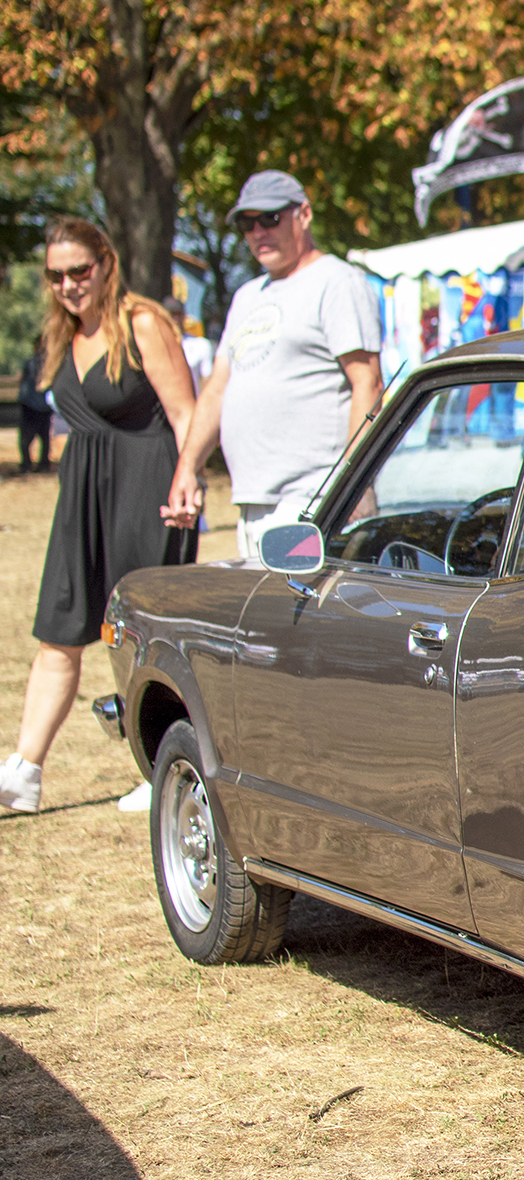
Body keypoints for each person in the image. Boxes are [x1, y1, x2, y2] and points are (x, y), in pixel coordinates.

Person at [0, 219, 197, 814]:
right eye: (55, 275)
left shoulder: (142, 323)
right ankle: (25, 770)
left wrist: (188, 479)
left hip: (146, 488)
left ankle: (158, 766)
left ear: (106, 263)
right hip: (81, 495)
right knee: (57, 629)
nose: (68, 285)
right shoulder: (62, 333)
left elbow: (185, 413)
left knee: (141, 636)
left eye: (79, 271)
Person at [161, 170, 383, 559]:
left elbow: (368, 382)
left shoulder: (337, 282)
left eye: (270, 218)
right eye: (247, 224)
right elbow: (217, 389)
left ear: (304, 214)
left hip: (313, 500)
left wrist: (354, 486)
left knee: (302, 602)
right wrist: (188, 466)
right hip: (251, 499)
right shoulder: (247, 295)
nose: (258, 232)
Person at [164, 296, 215, 391]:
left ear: (184, 315)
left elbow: (206, 381)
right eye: (171, 314)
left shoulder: (201, 345)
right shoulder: (156, 347)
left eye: (178, 314)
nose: (175, 318)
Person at [16, 349, 52, 473]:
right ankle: (44, 464)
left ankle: (26, 464)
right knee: (45, 437)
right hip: (44, 405)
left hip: (29, 404)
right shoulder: (49, 364)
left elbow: (21, 379)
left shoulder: (30, 362)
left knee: (25, 437)